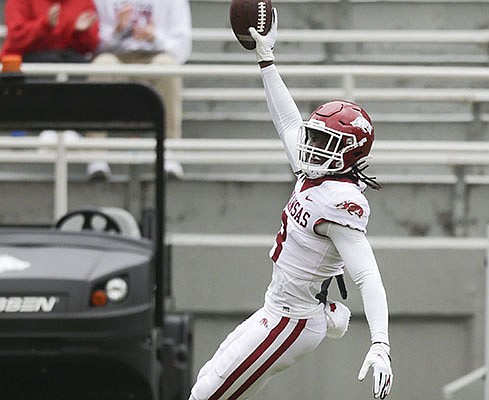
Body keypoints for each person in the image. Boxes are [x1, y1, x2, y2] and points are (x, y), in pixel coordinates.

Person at [188, 10, 393, 400]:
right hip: (276, 307)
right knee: (206, 382)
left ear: (349, 153)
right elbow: (286, 121)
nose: (312, 147)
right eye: (314, 137)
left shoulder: (341, 202)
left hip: (293, 321)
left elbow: (368, 276)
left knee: (206, 396)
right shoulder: (312, 170)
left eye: (324, 141)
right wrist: (266, 60)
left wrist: (380, 343)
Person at [88, 0, 192, 179]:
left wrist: (154, 37)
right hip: (116, 57)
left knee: (168, 67)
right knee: (101, 65)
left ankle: (170, 154)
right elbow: (91, 47)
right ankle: (96, 156)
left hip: (155, 57)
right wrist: (117, 31)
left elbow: (182, 49)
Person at [0, 0, 99, 62]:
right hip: (25, 64)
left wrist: (79, 33)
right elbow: (16, 38)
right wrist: (44, 25)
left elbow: (90, 47)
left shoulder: (85, 2)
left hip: (69, 63)